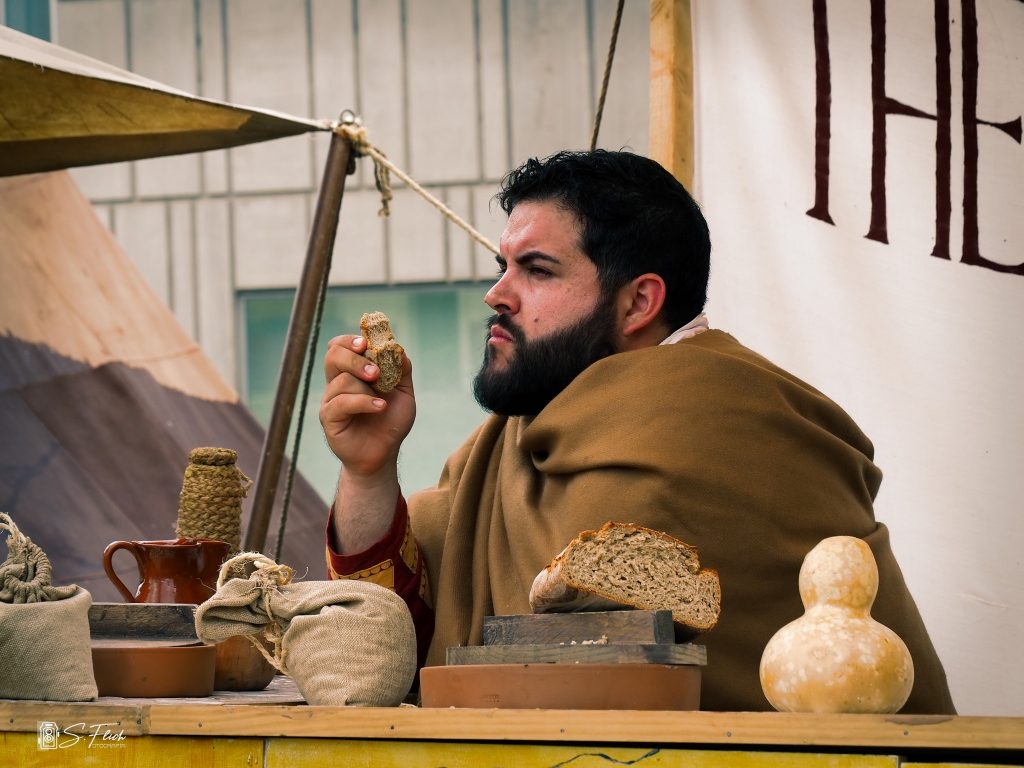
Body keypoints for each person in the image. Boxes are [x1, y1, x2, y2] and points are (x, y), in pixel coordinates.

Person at [319, 149, 955, 713]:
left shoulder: (728, 424)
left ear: (639, 303)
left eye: (536, 270)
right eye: (502, 265)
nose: (497, 294)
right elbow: (387, 642)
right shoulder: (519, 436)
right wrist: (368, 470)